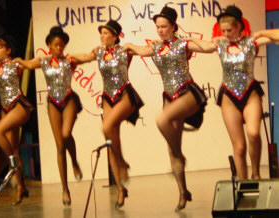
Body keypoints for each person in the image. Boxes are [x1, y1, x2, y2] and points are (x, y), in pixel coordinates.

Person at [122, 6, 208, 211]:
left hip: (187, 92)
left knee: (162, 120)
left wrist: (211, 43)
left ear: (173, 27)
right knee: (171, 149)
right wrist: (126, 46)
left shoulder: (183, 44)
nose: (160, 30)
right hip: (168, 95)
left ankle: (181, 157)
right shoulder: (157, 47)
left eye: (164, 26)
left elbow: (206, 47)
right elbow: (141, 50)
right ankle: (183, 192)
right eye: (157, 26)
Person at [187, 5, 278, 180]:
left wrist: (261, 33)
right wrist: (188, 38)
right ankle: (243, 183)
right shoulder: (220, 44)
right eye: (223, 30)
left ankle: (256, 174)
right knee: (239, 146)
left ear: (239, 27)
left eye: (230, 30)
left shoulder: (251, 42)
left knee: (253, 133)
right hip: (229, 96)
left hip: (250, 93)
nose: (226, 34)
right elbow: (202, 47)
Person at [15, 26, 93, 206]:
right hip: (52, 103)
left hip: (69, 99)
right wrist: (17, 61)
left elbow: (88, 57)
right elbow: (26, 65)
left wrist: (96, 52)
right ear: (49, 45)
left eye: (62, 45)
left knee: (66, 135)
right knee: (59, 146)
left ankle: (74, 160)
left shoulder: (69, 60)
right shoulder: (43, 61)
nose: (59, 48)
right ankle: (65, 189)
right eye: (56, 45)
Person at [72, 20, 144, 209]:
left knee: (106, 127)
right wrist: (66, 57)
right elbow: (84, 57)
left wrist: (154, 46)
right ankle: (121, 190)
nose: (102, 36)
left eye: (105, 33)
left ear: (115, 35)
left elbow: (143, 51)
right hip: (107, 97)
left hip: (124, 94)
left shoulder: (125, 49)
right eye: (101, 33)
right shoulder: (99, 51)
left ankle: (122, 163)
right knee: (111, 142)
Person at [0, 35, 34, 205]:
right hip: (5, 108)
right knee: (14, 149)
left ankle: (12, 165)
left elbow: (29, 65)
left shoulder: (15, 64)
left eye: (0, 47)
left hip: (19, 105)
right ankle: (21, 188)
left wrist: (19, 61)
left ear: (8, 50)